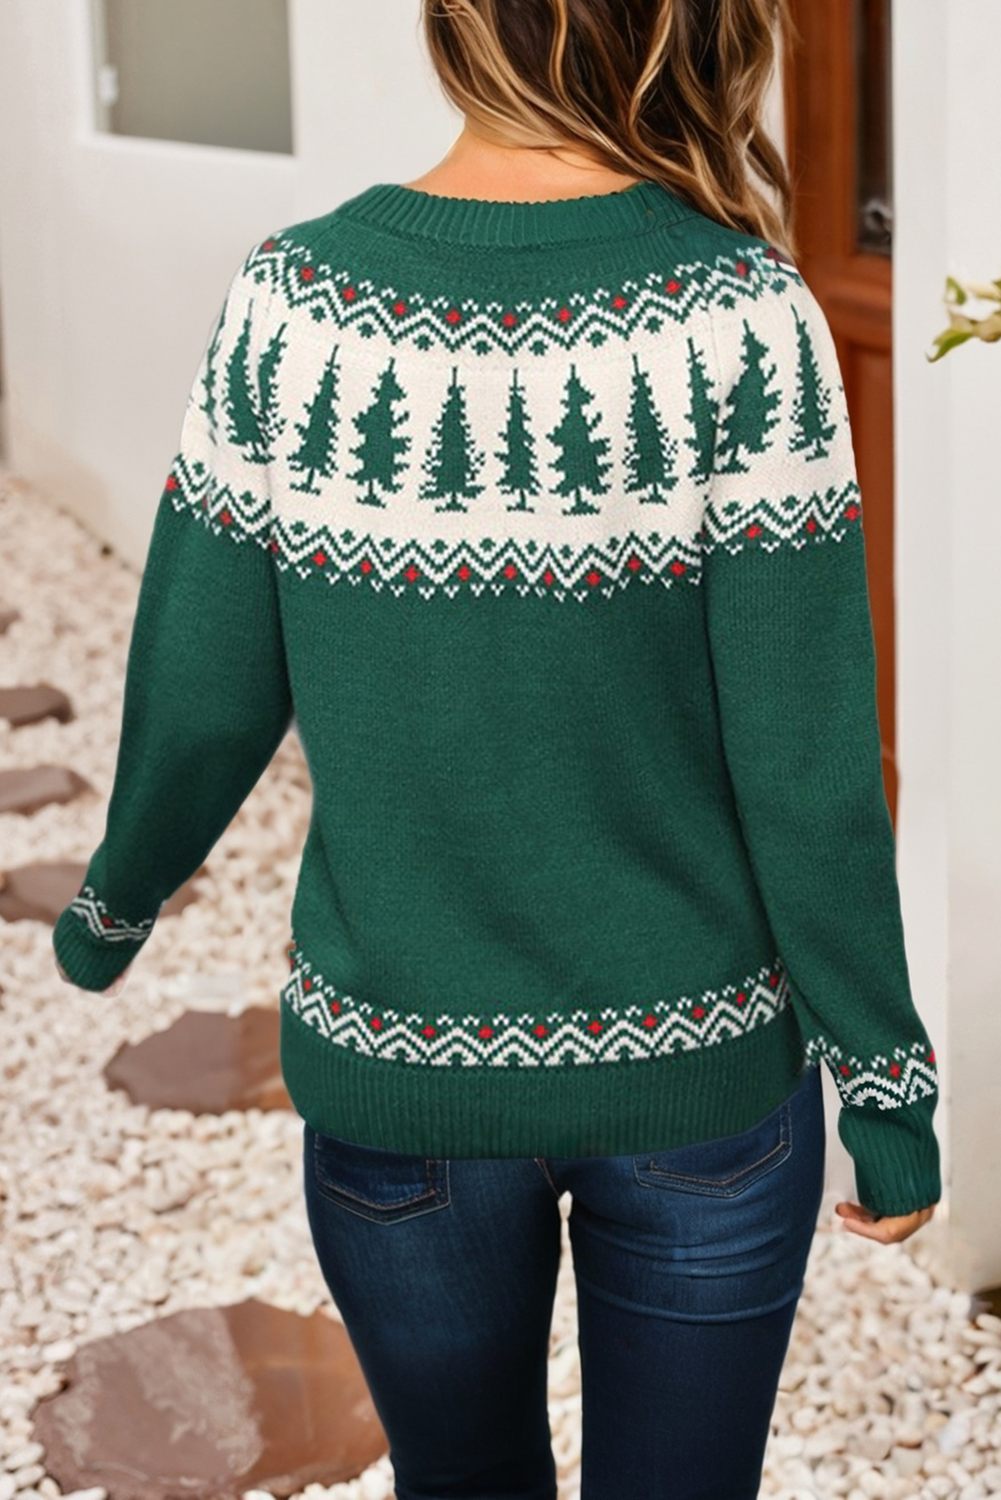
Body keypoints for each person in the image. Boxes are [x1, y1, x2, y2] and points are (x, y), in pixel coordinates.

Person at [53, 0, 941, 1494]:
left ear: (459, 24)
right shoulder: (746, 313)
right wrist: (887, 1082)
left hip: (401, 1078)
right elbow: (807, 770)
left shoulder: (298, 302)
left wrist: (112, 906)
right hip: (705, 1087)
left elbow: (206, 691)